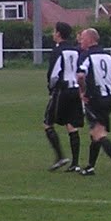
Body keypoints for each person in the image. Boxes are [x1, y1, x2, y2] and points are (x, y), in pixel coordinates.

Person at [77, 28, 111, 179]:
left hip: (94, 98)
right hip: (108, 98)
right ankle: (90, 167)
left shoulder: (86, 55)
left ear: (90, 39)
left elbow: (80, 76)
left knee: (98, 133)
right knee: (96, 132)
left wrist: (83, 92)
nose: (80, 41)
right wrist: (109, 87)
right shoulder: (108, 56)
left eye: (82, 38)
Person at [43, 21, 83, 172]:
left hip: (62, 91)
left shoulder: (57, 51)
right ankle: (76, 163)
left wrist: (51, 88)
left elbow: (53, 74)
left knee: (47, 123)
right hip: (75, 90)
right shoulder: (75, 50)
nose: (53, 34)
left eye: (54, 31)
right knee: (71, 125)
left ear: (59, 34)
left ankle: (60, 156)